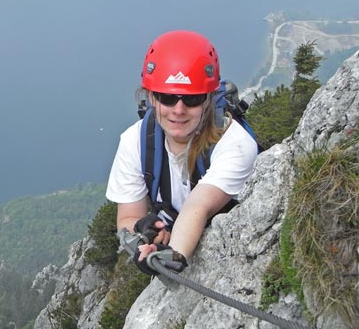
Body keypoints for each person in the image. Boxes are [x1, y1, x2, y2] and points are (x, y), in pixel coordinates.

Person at [106, 30, 258, 273]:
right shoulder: (135, 142)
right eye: (167, 97)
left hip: (238, 255)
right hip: (182, 244)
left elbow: (197, 206)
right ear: (151, 97)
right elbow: (126, 219)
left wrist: (172, 257)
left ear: (208, 98)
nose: (178, 110)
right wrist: (144, 230)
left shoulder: (234, 144)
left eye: (193, 99)